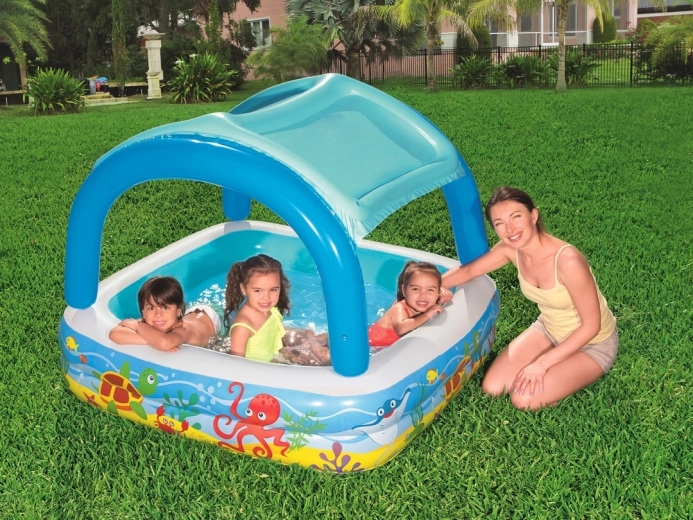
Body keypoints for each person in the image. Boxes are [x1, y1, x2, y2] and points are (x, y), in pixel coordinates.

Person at [440, 186, 618, 410]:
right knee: (492, 387)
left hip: (593, 344)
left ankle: (563, 372)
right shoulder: (510, 249)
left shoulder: (568, 261)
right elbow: (468, 271)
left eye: (516, 217)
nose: (510, 229)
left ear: (533, 215)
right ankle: (555, 367)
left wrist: (542, 363)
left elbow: (592, 326)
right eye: (499, 223)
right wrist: (429, 289)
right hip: (549, 329)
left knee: (522, 399)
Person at [109, 276, 221, 352]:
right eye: (151, 308)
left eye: (165, 308)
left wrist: (136, 325)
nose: (158, 314)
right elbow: (115, 333)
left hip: (213, 319)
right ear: (143, 311)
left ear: (178, 310)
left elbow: (164, 343)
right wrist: (153, 340)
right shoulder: (157, 319)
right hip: (187, 315)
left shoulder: (183, 330)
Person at [224, 254, 293, 362]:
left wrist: (286, 353)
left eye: (273, 290)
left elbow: (274, 335)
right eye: (258, 290)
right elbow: (237, 365)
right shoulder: (243, 327)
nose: (266, 297)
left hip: (274, 359)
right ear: (244, 289)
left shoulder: (271, 310)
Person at [368, 260, 445, 349]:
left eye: (430, 290)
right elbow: (401, 329)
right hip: (369, 346)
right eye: (415, 289)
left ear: (438, 293)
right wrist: (427, 315)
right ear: (404, 291)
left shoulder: (429, 304)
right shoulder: (399, 308)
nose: (423, 295)